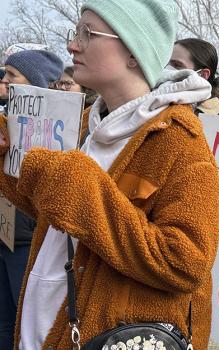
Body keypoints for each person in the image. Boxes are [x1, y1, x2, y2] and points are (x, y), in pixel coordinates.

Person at [0, 0, 219, 349]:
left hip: (99, 336)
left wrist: (79, 187)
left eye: (88, 34)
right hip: (43, 329)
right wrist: (7, 157)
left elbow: (187, 262)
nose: (73, 45)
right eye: (77, 32)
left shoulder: (180, 140)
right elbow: (55, 208)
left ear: (134, 52)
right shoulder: (86, 122)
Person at [0, 49, 63, 349]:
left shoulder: (56, 129)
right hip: (4, 233)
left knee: (22, 316)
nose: (5, 81)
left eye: (12, 75)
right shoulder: (6, 120)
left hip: (27, 238)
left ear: (34, 83)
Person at [169, 37, 219, 116]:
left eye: (177, 65)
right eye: (166, 64)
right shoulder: (155, 104)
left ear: (203, 75)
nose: (168, 70)